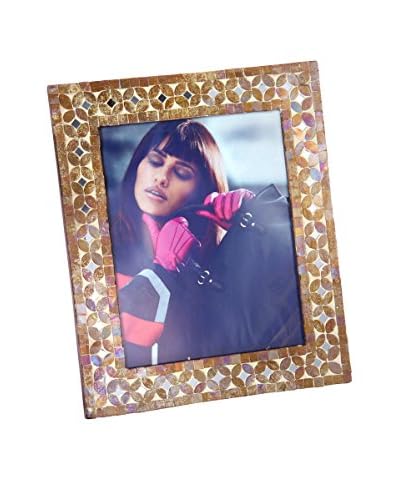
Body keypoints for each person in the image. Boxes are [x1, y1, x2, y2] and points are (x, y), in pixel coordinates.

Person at [109, 119, 255, 368]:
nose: (161, 178)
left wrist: (251, 229)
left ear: (202, 190)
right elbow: (113, 358)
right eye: (156, 161)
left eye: (182, 172)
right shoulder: (99, 245)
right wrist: (160, 273)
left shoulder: (217, 261)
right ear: (137, 165)